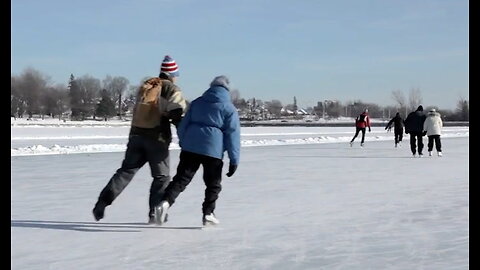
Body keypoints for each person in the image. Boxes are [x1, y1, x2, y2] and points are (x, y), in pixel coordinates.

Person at [92, 55, 187, 223]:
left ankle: (103, 201)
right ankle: (155, 214)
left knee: (126, 171)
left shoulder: (147, 86)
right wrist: (184, 136)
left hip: (136, 136)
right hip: (156, 139)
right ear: (173, 74)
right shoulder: (171, 89)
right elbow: (176, 112)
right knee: (161, 177)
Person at [153, 75, 241, 226]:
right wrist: (234, 160)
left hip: (190, 147)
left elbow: (183, 125)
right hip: (213, 149)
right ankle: (208, 213)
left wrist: (184, 142)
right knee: (213, 184)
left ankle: (165, 202)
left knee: (181, 179)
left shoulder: (197, 102)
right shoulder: (229, 108)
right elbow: (232, 134)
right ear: (227, 89)